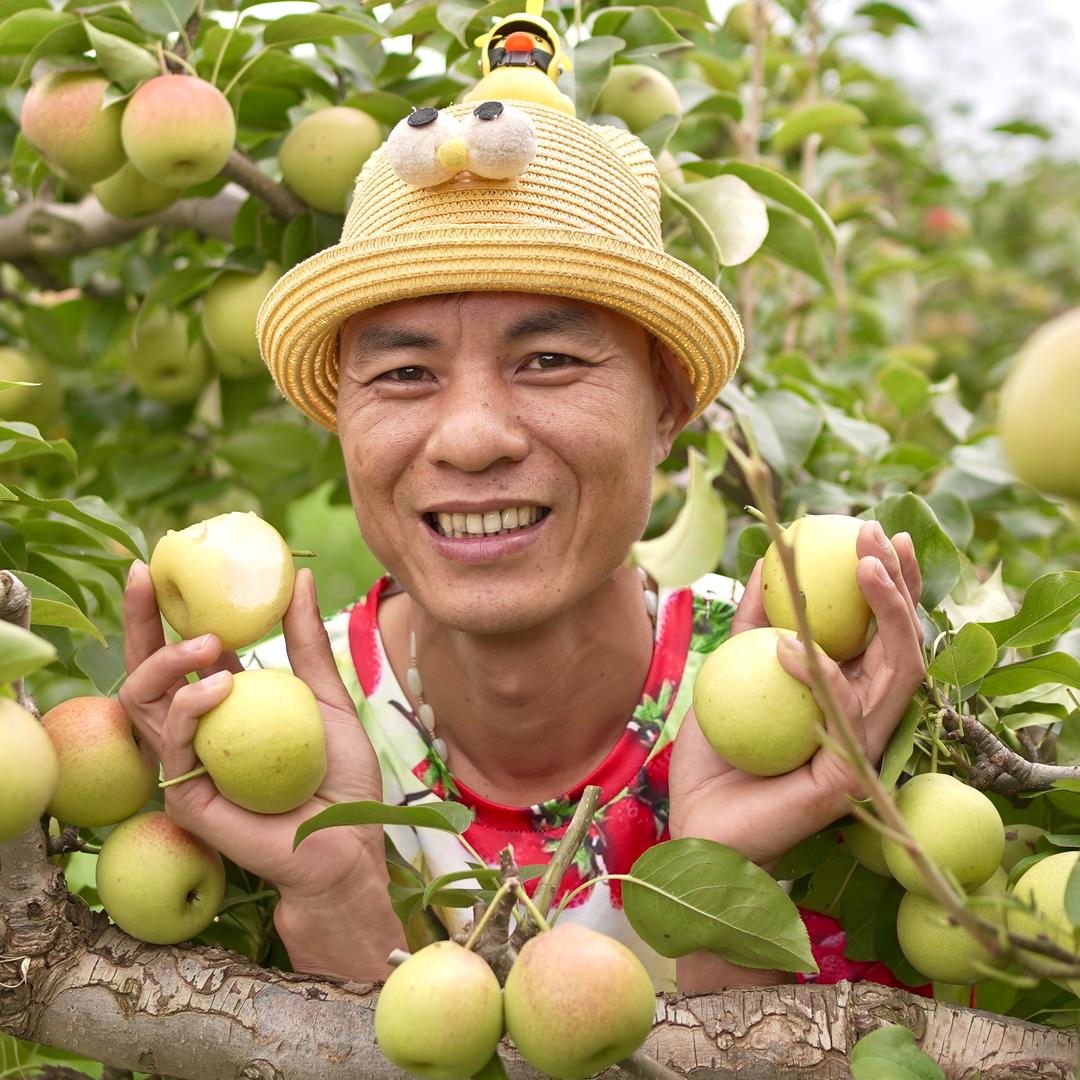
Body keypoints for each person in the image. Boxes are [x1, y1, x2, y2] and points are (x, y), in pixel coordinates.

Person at [118, 99, 925, 994]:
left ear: (665, 408)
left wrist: (723, 884)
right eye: (403, 373)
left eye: (547, 360)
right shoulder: (247, 732)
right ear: (342, 422)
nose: (471, 438)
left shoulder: (817, 702)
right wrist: (333, 892)